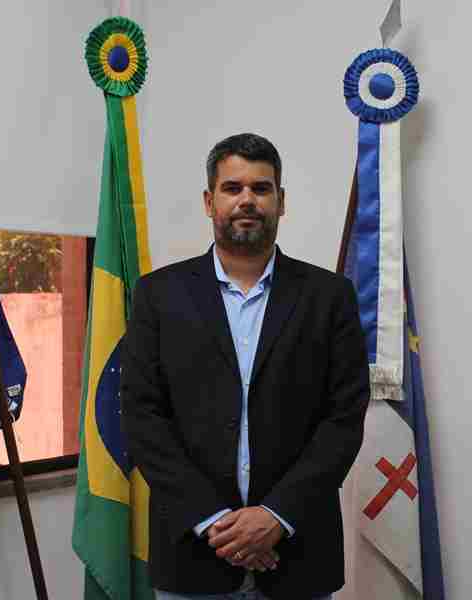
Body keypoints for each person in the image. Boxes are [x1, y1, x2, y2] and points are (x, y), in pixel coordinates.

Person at [121, 133, 369, 600]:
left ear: (281, 201)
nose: (247, 200)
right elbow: (142, 416)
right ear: (209, 201)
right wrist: (215, 522)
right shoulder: (159, 295)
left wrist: (276, 516)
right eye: (232, 188)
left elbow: (343, 418)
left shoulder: (330, 296)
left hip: (300, 555)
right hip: (193, 557)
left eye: (261, 188)